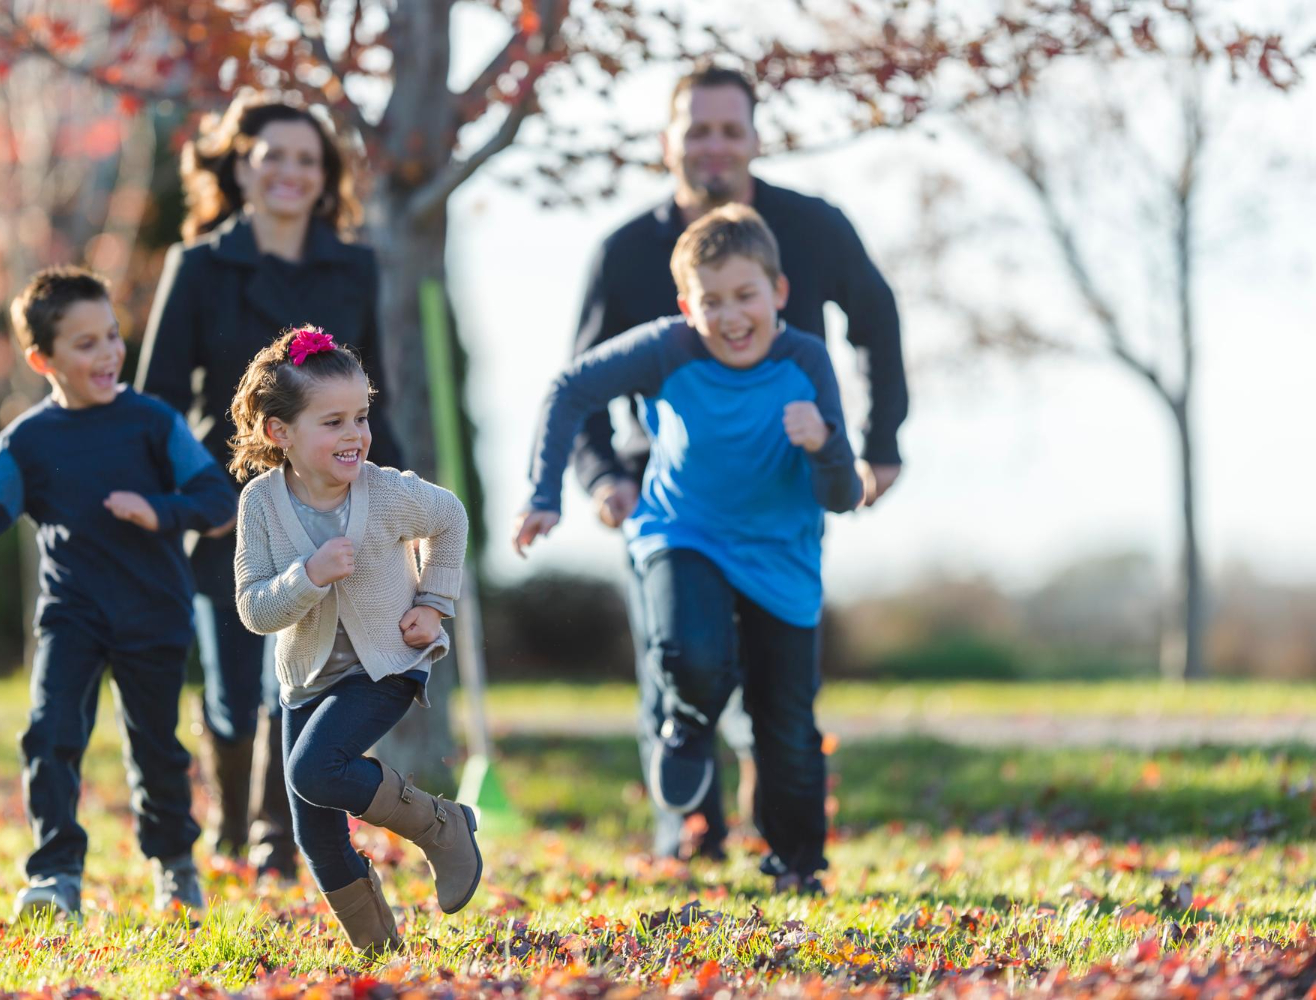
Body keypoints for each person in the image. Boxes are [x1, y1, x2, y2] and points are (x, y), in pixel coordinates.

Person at [571, 64, 908, 860]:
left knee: (776, 680)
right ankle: (689, 831)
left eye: (730, 130)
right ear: (668, 143)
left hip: (782, 491)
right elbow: (581, 381)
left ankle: (785, 834)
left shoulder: (814, 226)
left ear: (756, 139)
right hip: (665, 496)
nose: (713, 147)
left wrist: (880, 444)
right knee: (680, 663)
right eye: (697, 130)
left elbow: (878, 324)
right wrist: (602, 478)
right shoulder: (624, 252)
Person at [0, 267, 238, 918]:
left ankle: (174, 867)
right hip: (73, 614)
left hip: (154, 612)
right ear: (42, 358)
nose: (109, 353)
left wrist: (158, 509)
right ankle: (56, 876)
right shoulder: (27, 441)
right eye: (85, 344)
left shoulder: (153, 421)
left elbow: (217, 500)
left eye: (112, 336)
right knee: (49, 734)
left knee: (157, 750)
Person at [518, 206, 867, 894]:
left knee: (787, 726)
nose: (731, 317)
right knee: (691, 657)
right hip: (685, 532)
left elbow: (842, 494)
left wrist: (824, 444)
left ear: (779, 293)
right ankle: (684, 722)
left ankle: (796, 863)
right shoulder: (667, 347)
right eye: (711, 302)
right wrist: (545, 493)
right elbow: (568, 390)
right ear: (686, 305)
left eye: (746, 297)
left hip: (781, 558)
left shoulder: (807, 362)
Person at [136, 92, 404, 879]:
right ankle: (231, 817)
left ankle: (274, 835)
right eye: (272, 156)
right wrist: (193, 498)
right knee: (234, 677)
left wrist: (391, 499)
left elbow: (372, 391)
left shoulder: (355, 266)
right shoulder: (199, 266)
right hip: (226, 505)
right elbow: (156, 404)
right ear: (240, 168)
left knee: (311, 670)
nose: (290, 172)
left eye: (306, 159)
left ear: (325, 178)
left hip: (331, 504)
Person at [229, 325, 479, 954]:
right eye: (333, 421)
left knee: (315, 768)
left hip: (387, 664)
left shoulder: (386, 491)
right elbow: (254, 609)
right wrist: (306, 577)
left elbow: (450, 517)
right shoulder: (260, 504)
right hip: (306, 678)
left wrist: (433, 602)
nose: (355, 435)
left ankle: (441, 825)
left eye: (361, 417)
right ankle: (379, 950)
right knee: (312, 829)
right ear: (279, 433)